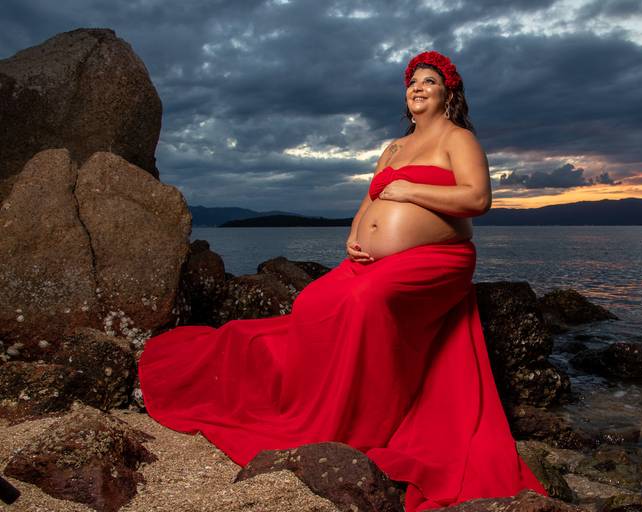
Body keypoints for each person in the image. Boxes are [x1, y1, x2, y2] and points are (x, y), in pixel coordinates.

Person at [138, 50, 548, 511]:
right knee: (313, 301)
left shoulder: (458, 139)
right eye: (412, 81)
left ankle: (361, 421)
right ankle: (309, 397)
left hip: (438, 259)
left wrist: (409, 189)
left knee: (366, 303)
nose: (417, 87)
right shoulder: (393, 147)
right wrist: (354, 238)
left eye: (429, 81)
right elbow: (368, 200)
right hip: (370, 260)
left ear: (448, 94)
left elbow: (477, 199)